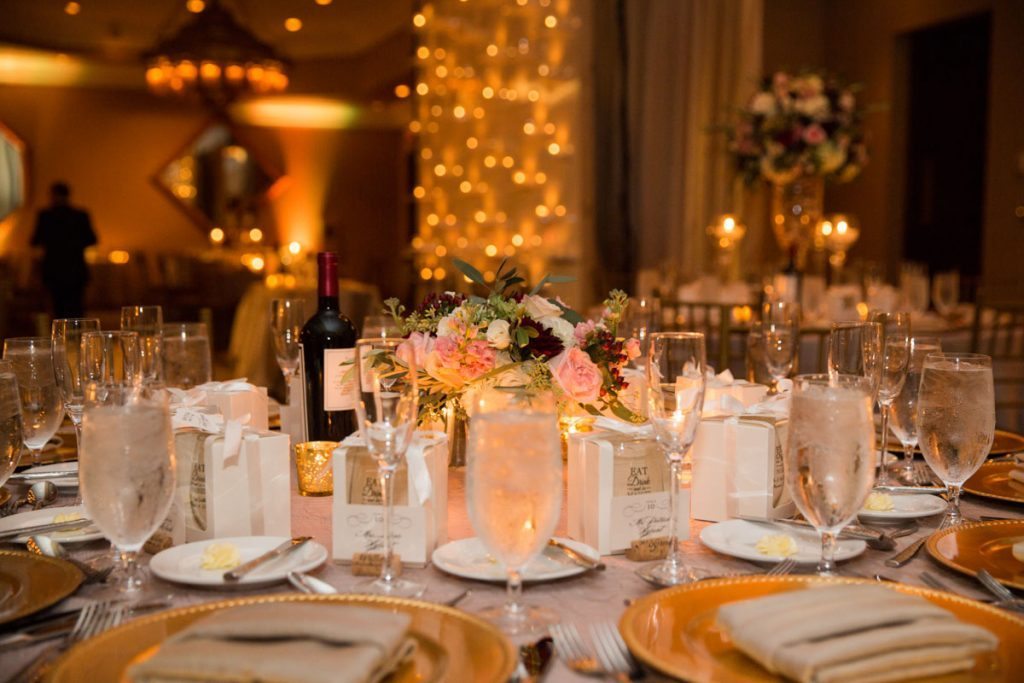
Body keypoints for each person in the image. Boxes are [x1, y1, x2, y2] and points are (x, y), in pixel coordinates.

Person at [31, 181, 97, 318]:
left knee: (58, 309)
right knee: (76, 308)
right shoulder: (80, 215)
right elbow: (92, 239)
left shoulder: (46, 216)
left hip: (55, 269)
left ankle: (62, 336)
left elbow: (35, 241)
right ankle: (78, 336)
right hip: (74, 268)